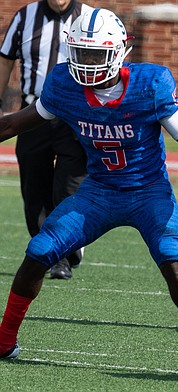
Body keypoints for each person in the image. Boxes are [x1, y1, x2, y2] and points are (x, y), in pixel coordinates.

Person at [0, 8, 178, 379]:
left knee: (172, 262)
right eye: (81, 54)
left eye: (96, 55)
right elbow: (14, 123)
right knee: (39, 251)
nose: (88, 64)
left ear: (121, 51)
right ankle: (5, 339)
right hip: (99, 192)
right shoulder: (64, 87)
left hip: (148, 192)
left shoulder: (149, 85)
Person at [0, 0, 90, 280]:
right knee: (34, 190)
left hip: (73, 115)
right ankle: (49, 252)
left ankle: (63, 254)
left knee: (68, 188)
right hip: (32, 113)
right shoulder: (24, 16)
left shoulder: (89, 18)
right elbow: (5, 59)